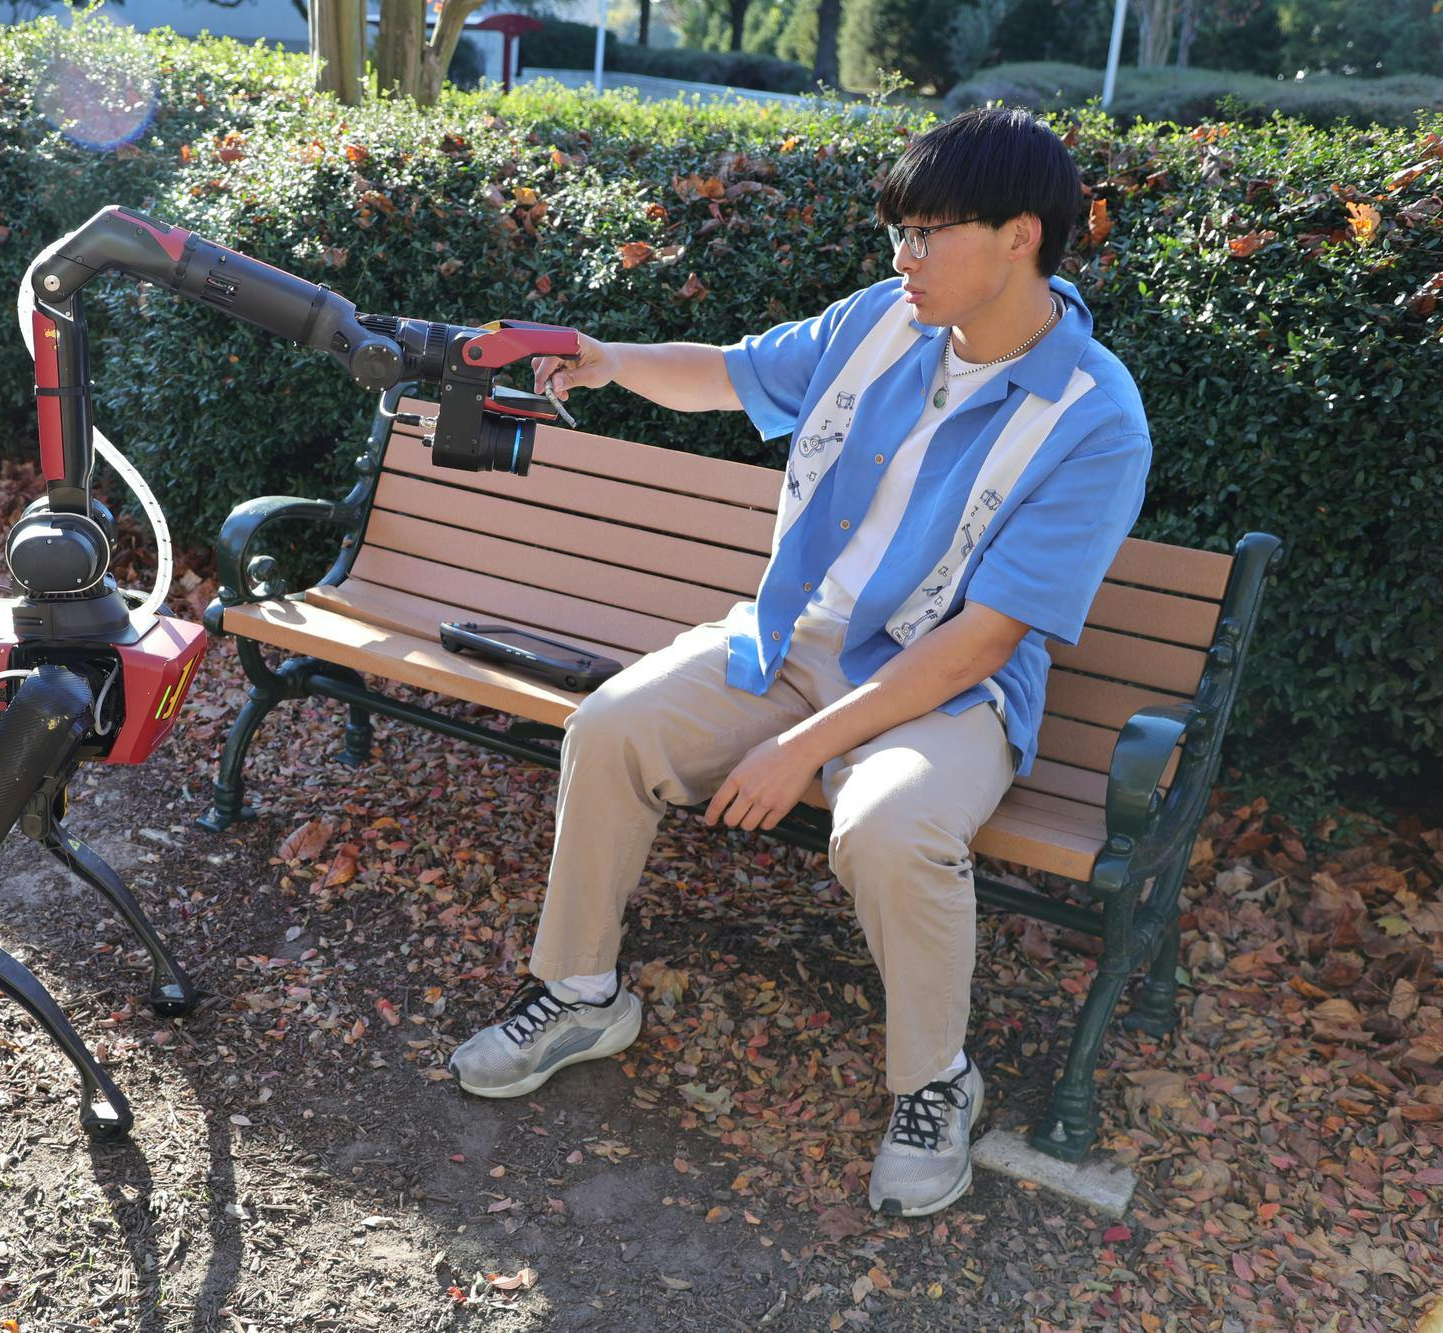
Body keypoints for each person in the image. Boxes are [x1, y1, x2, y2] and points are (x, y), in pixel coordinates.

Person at [446, 107, 1152, 1219]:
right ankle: (580, 992)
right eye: (896, 233)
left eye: (927, 233)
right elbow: (732, 375)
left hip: (947, 690)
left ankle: (935, 1083)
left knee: (888, 827)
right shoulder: (882, 319)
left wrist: (799, 751)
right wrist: (603, 360)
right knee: (611, 727)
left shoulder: (1094, 418)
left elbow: (984, 637)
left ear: (1021, 235)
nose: (900, 258)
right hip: (794, 640)